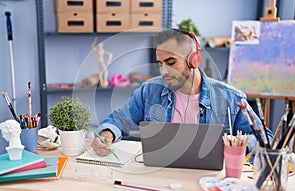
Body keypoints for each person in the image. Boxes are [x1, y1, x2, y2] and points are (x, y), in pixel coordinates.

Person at [91, 29, 273, 157]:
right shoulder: (149, 90)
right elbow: (118, 120)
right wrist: (107, 134)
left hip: (211, 180)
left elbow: (265, 140)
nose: (164, 72)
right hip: (160, 176)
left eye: (171, 62)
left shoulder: (231, 97)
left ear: (194, 60)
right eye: (160, 64)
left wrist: (236, 145)